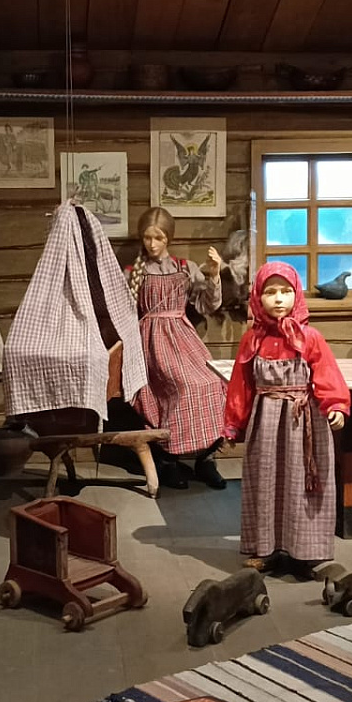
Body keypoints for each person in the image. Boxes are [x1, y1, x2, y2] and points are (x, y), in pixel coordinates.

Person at [223, 263, 350, 574]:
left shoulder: (310, 338)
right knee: (265, 483)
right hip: (266, 421)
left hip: (303, 421)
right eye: (270, 292)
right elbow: (241, 385)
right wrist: (234, 424)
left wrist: (335, 404)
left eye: (286, 291)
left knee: (301, 485)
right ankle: (265, 548)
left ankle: (304, 550)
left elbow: (327, 374)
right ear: (258, 297)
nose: (278, 299)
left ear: (297, 295)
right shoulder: (252, 340)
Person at [127, 207, 228, 490]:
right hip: (152, 342)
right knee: (183, 387)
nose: (152, 244)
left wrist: (214, 275)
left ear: (169, 238)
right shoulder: (134, 272)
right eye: (147, 237)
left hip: (183, 337)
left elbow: (207, 305)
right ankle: (168, 460)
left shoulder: (185, 268)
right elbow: (122, 312)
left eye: (158, 238)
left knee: (215, 382)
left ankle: (206, 459)